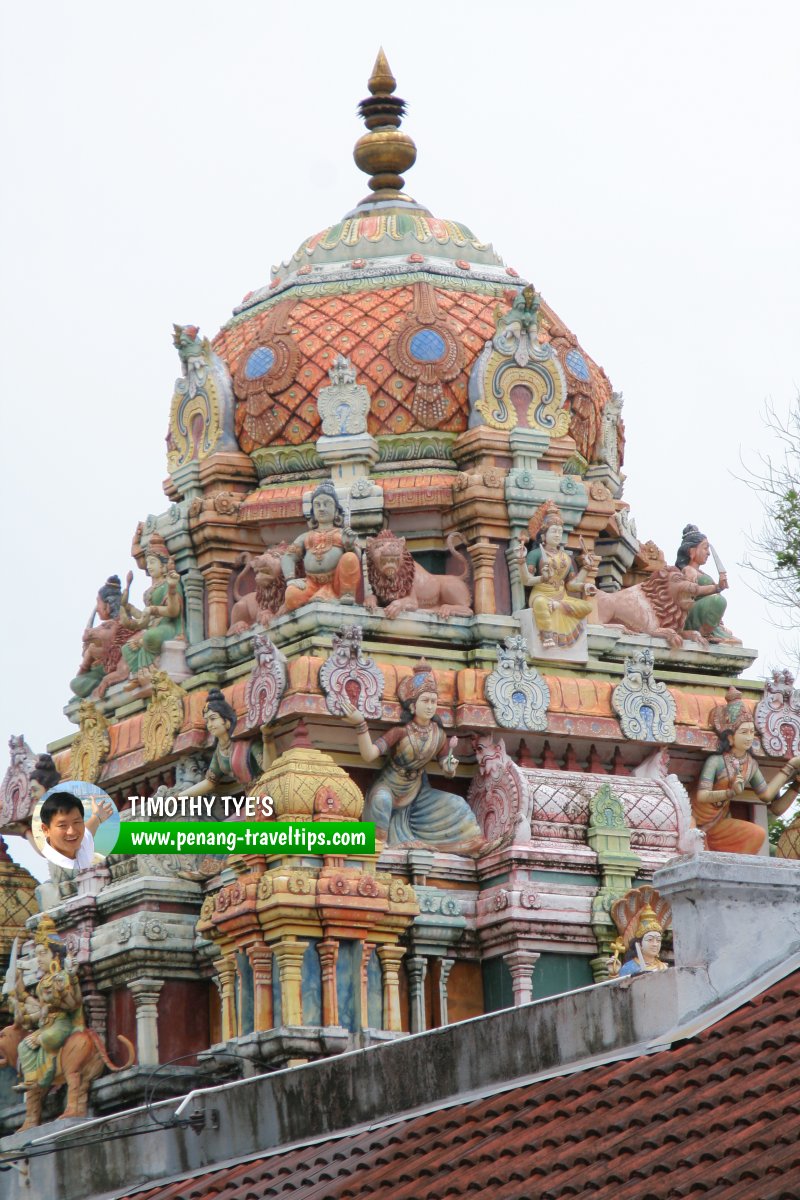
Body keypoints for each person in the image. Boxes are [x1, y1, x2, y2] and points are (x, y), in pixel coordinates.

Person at [341, 659, 483, 851]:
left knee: (458, 804)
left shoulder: (439, 735)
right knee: (380, 801)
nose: (430, 706)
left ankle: (470, 845)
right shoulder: (400, 732)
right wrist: (360, 724)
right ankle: (379, 847)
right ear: (412, 706)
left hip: (417, 793)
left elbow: (447, 771)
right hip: (389, 788)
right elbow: (368, 755)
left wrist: (450, 769)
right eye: (425, 701)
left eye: (433, 701)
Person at [693, 686, 800, 854]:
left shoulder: (750, 764)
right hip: (690, 821)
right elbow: (702, 795)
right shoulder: (716, 762)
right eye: (744, 732)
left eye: (751, 732)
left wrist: (792, 769)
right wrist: (729, 793)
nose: (749, 737)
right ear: (730, 737)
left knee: (757, 834)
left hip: (717, 825)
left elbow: (766, 797)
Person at [13, 920, 85, 1092]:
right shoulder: (41, 983)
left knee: (45, 1038)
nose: (39, 959)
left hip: (61, 1023)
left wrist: (65, 990)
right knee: (23, 1045)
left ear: (55, 956)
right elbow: (43, 1009)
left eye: (43, 953)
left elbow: (73, 1005)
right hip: (46, 1024)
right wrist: (28, 1017)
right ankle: (31, 1080)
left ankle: (49, 1071)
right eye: (37, 954)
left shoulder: (61, 977)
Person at [515, 500, 596, 649]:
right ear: (544, 536)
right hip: (541, 594)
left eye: (560, 532)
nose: (558, 535)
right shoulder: (536, 554)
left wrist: (586, 578)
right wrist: (523, 563)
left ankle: (557, 606)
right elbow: (526, 580)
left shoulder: (566, 557)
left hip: (561, 597)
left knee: (587, 607)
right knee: (540, 603)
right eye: (554, 531)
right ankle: (547, 635)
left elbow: (571, 585)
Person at [281, 481, 362, 613]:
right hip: (311, 584)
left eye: (327, 504)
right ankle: (317, 596)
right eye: (317, 505)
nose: (322, 508)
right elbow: (288, 557)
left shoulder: (343, 534)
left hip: (337, 584)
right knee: (291, 595)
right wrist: (290, 580)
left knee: (349, 557)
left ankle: (344, 595)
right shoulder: (305, 537)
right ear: (313, 512)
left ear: (336, 510)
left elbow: (357, 558)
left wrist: (349, 546)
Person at [182, 688, 262, 796]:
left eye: (213, 718)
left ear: (227, 721)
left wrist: (267, 738)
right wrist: (178, 797)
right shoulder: (219, 753)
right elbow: (209, 783)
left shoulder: (247, 744)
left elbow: (269, 767)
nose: (209, 725)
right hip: (250, 796)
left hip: (264, 791)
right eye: (207, 721)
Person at [675, 524, 740, 643]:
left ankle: (713, 630)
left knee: (734, 639)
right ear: (692, 551)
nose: (708, 553)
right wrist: (717, 587)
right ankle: (705, 634)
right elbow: (693, 591)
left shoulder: (701, 573)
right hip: (689, 616)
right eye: (705, 548)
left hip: (706, 616)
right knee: (717, 601)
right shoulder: (687, 571)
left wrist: (719, 622)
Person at [38, 790, 114, 871]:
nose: (72, 832)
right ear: (46, 830)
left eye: (76, 822)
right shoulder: (47, 867)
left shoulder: (81, 845)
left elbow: (88, 830)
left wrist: (97, 816)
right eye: (62, 825)